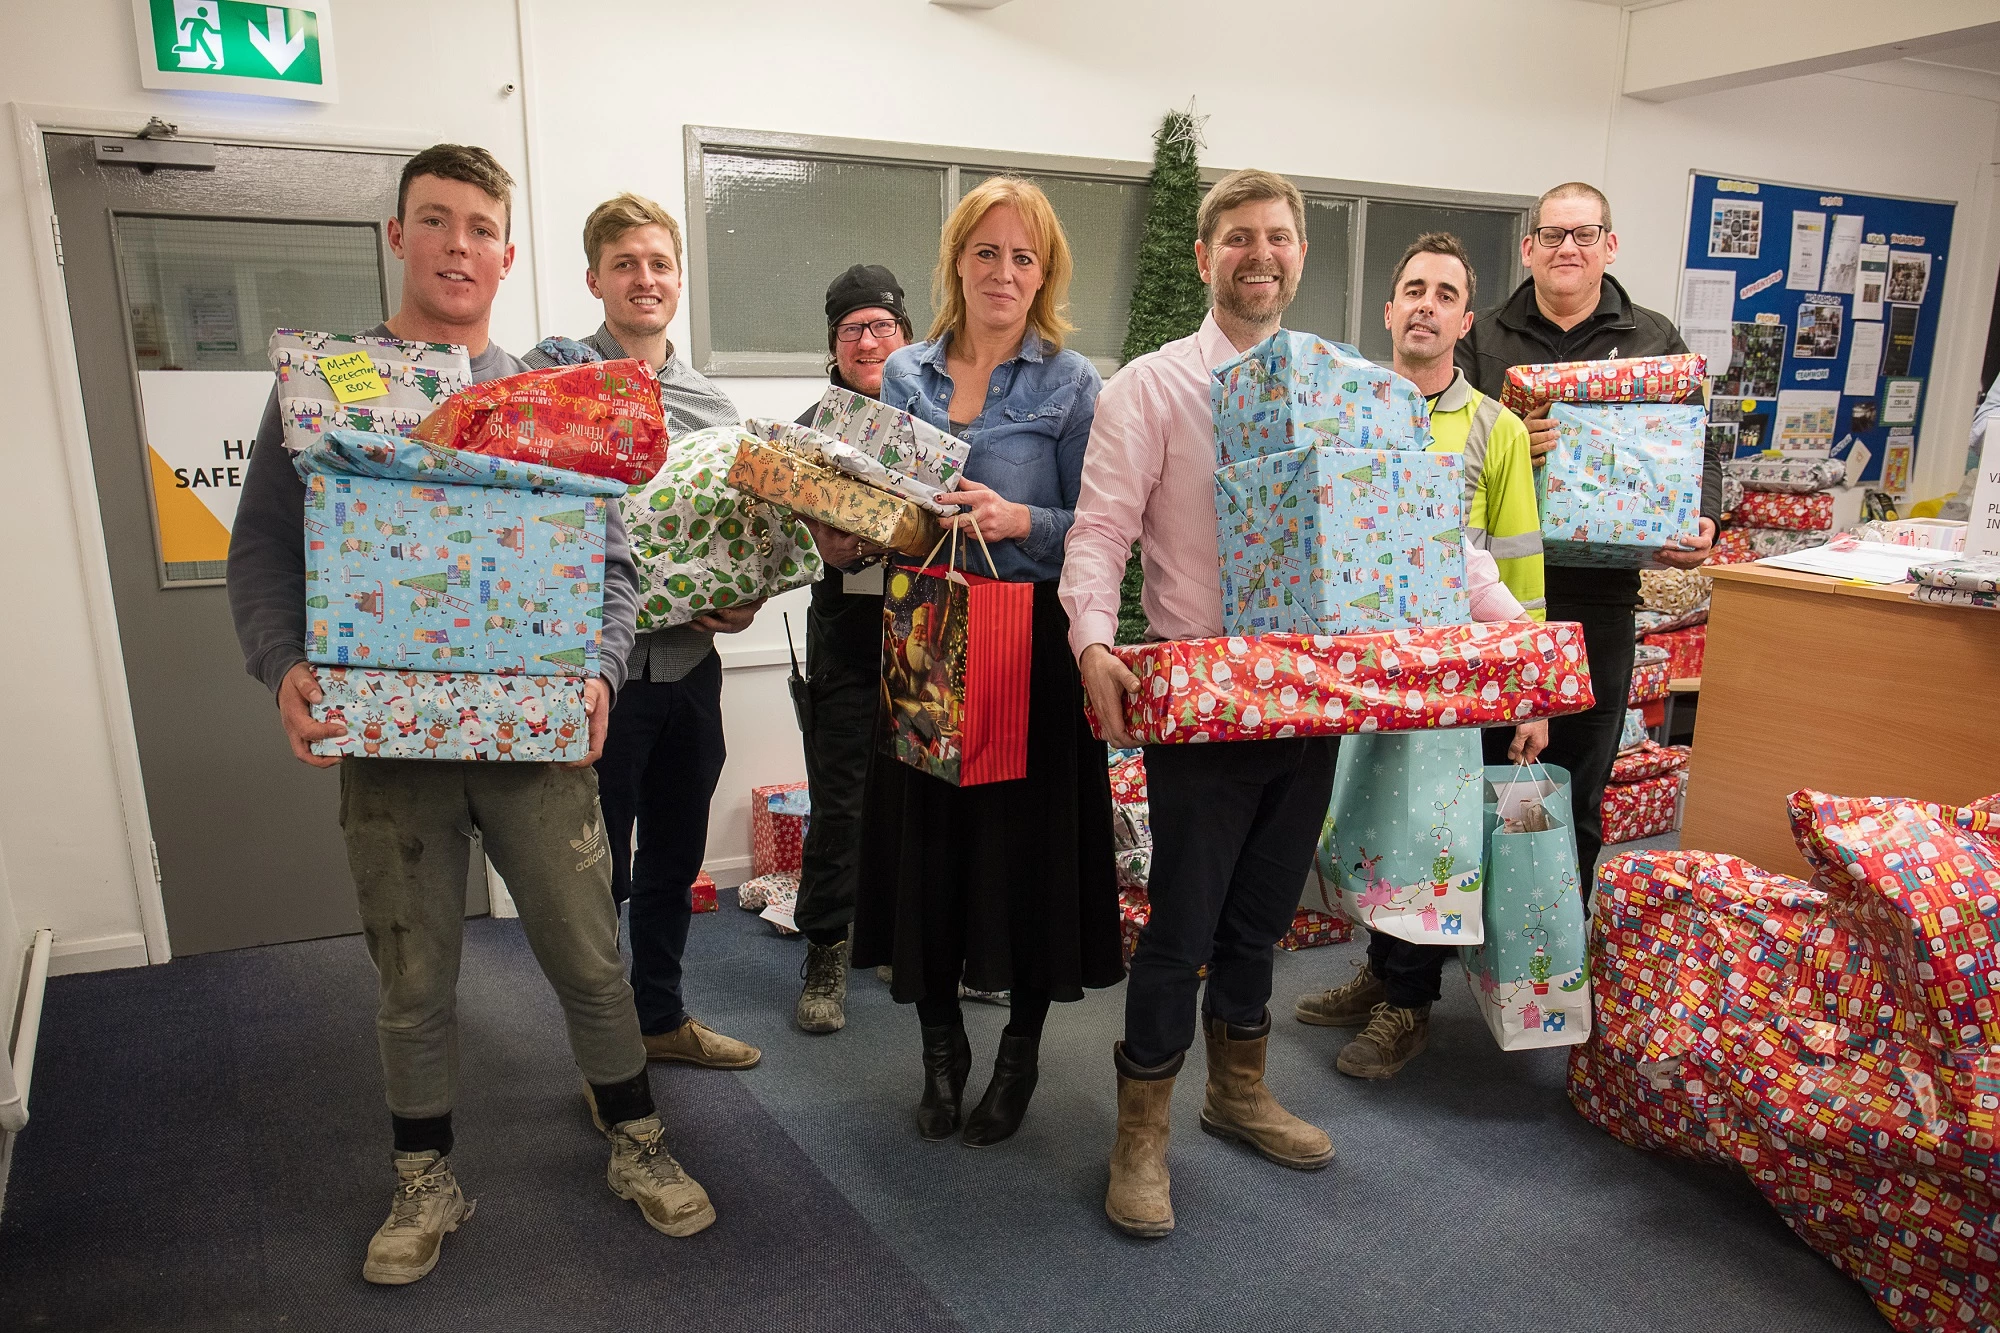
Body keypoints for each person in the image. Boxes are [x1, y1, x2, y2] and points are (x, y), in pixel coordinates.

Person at [227, 147, 713, 1285]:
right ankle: (424, 1177)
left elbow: (613, 562)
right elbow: (261, 546)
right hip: (390, 736)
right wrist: (283, 662)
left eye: (479, 225)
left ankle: (636, 1140)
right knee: (412, 973)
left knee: (592, 960)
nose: (457, 243)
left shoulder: (552, 404)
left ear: (505, 250)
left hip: (531, 733)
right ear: (397, 237)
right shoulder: (328, 391)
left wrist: (597, 670)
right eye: (434, 221)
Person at [1063, 169, 1339, 1239]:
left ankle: (1237, 1091)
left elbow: (1402, 534)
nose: (1257, 254)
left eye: (1275, 237)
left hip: (1309, 697)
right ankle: (1140, 1134)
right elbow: (1098, 533)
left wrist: (1507, 627)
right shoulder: (1150, 387)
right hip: (1204, 699)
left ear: (1298, 255)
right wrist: (1091, 636)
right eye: (1236, 238)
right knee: (1178, 928)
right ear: (1203, 257)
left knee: (1262, 917)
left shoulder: (1331, 384)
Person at [852, 176, 1120, 1149]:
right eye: (986, 252)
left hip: (1024, 659)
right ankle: (939, 1048)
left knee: (1026, 860)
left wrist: (1019, 520)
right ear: (956, 260)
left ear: (1041, 272)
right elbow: (884, 508)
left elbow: (1094, 531)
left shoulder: (1069, 382)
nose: (1003, 271)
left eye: (1023, 256)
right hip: (925, 643)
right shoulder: (903, 376)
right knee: (928, 855)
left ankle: (1018, 1051)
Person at [1292, 231, 1550, 1079]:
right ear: (1390, 306)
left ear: (1464, 319)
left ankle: (1409, 1003)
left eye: (1445, 293)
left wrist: (1531, 689)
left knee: (1428, 838)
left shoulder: (1494, 428)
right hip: (1359, 668)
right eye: (1413, 289)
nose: (1426, 305)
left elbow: (1514, 559)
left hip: (1452, 677)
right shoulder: (1351, 409)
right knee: (1365, 822)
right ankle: (1379, 971)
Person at [522, 194, 764, 1075]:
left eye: (659, 264)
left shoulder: (711, 402)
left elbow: (741, 530)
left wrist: (744, 602)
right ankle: (606, 1051)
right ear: (596, 279)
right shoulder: (554, 378)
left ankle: (660, 1014)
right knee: (594, 871)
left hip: (692, 668)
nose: (646, 279)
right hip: (597, 675)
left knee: (675, 857)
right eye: (625, 264)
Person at [1455, 182, 1722, 888]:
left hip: (1598, 598)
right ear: (1528, 247)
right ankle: (1431, 966)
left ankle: (1547, 959)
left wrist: (1705, 518)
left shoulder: (1654, 340)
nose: (1566, 247)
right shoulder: (1482, 339)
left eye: (1583, 233)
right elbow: (1445, 452)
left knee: (1572, 784)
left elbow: (1699, 451)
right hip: (1494, 600)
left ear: (1610, 244)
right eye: (1552, 235)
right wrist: (1512, 443)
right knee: (1470, 776)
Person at [789, 264, 914, 1034]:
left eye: (883, 326)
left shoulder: (937, 413)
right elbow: (779, 543)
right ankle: (827, 951)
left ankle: (914, 943)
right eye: (852, 329)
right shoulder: (811, 429)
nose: (869, 341)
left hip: (930, 637)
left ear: (906, 334)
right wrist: (824, 546)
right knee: (841, 803)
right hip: (847, 640)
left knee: (927, 800)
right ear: (833, 344)